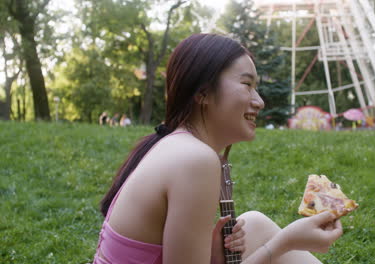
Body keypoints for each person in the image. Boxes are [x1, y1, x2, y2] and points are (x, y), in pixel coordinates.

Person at [93, 34, 342, 264]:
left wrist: (211, 256)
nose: (260, 101)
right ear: (203, 92)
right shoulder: (195, 159)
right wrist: (286, 243)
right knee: (267, 236)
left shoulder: (175, 145)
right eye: (247, 84)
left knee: (253, 223)